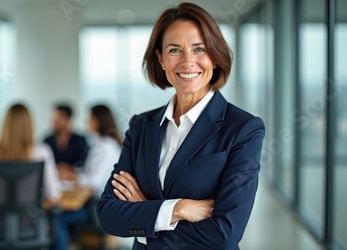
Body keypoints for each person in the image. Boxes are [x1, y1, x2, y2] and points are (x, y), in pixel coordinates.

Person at [97, 3, 265, 250]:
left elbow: (225, 234)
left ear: (215, 57)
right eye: (175, 50)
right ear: (161, 59)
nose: (188, 61)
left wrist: (147, 215)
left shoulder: (244, 129)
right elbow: (108, 217)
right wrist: (178, 209)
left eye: (199, 49)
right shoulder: (141, 127)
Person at [53, 104, 122, 250]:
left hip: (99, 207)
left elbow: (94, 182)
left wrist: (73, 178)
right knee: (58, 214)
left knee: (58, 218)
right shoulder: (100, 144)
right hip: (94, 203)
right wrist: (74, 174)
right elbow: (89, 173)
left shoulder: (107, 147)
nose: (86, 121)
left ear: (97, 121)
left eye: (89, 118)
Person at [0, 104, 62, 203]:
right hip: (29, 217)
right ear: (30, 125)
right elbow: (53, 194)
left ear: (4, 125)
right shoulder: (42, 152)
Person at [44, 104, 88, 172]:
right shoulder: (47, 141)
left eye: (59, 117)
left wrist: (68, 169)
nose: (55, 121)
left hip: (74, 179)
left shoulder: (80, 141)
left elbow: (84, 164)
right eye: (54, 117)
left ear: (68, 119)